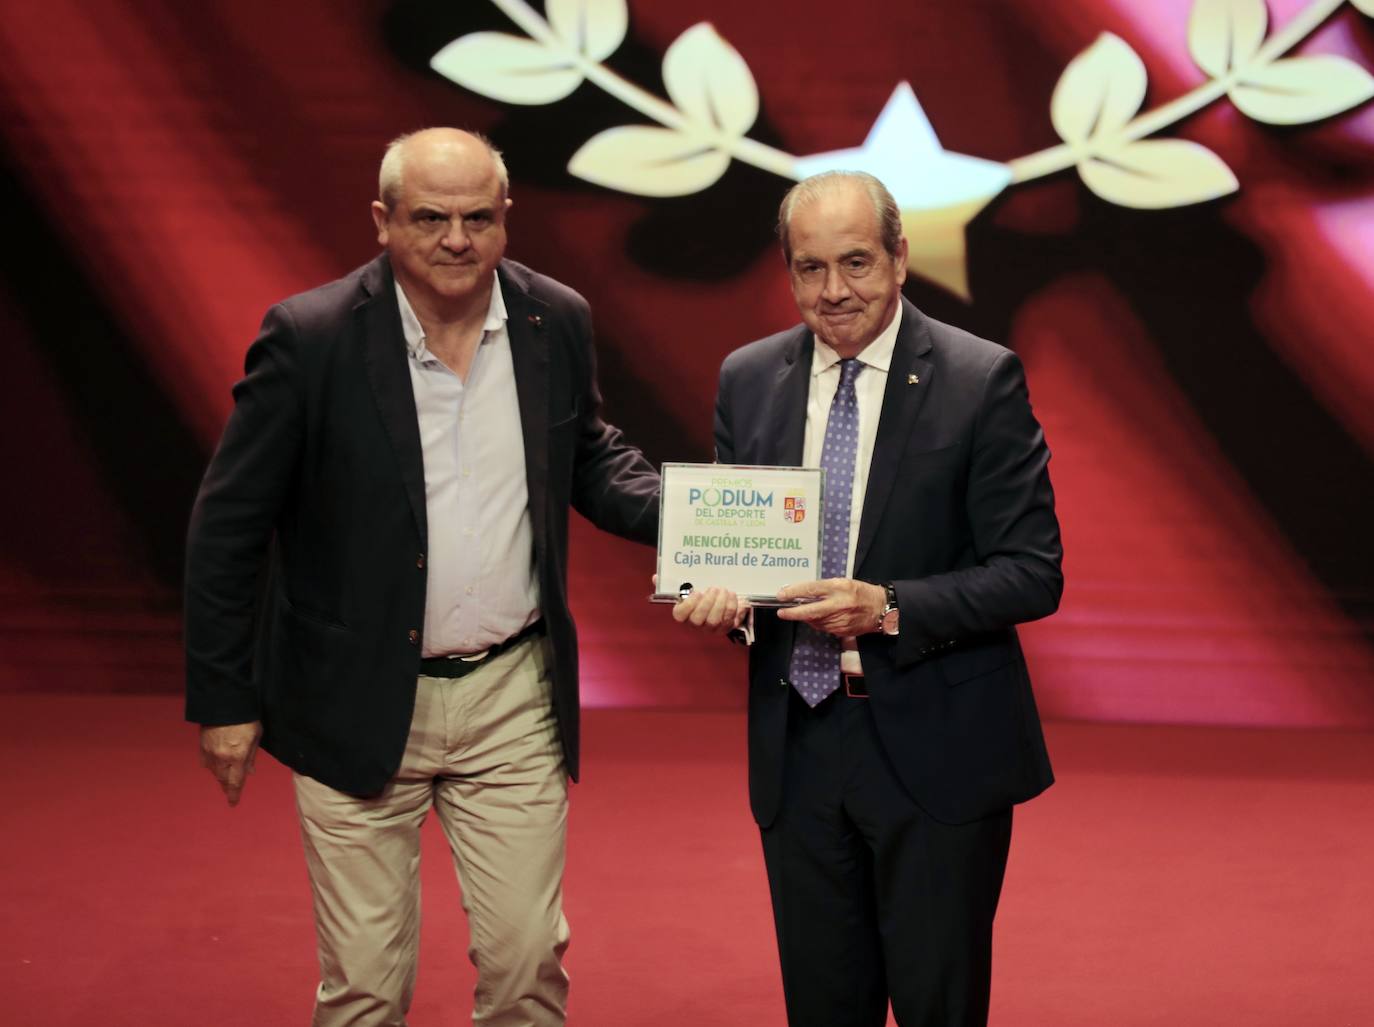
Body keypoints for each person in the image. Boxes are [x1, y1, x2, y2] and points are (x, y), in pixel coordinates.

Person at [184, 128, 659, 1027]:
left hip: (511, 695)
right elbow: (227, 527)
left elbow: (591, 461)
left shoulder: (554, 318)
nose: (456, 239)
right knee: (365, 989)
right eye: (431, 217)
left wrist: (717, 530)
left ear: (506, 220)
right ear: (382, 221)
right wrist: (223, 695)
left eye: (478, 217)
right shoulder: (309, 338)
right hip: (352, 696)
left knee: (527, 971)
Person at [673, 171, 1062, 1026]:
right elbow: (741, 559)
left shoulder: (978, 377)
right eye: (810, 268)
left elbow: (1033, 571)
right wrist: (727, 606)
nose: (834, 291)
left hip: (935, 746)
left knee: (938, 1004)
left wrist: (885, 605)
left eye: (855, 262)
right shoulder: (748, 378)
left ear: (899, 257)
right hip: (799, 744)